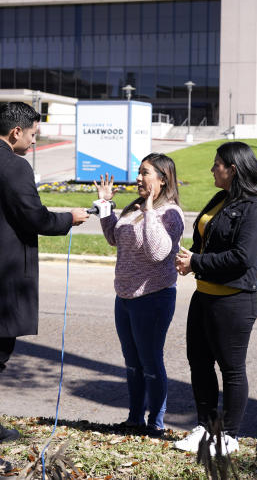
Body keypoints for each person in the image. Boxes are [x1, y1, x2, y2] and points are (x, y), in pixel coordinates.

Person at [0, 102, 89, 470]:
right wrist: (70, 218)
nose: (33, 141)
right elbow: (37, 217)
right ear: (16, 132)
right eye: (32, 134)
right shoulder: (16, 166)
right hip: (6, 278)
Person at [173, 141, 257, 456]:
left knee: (231, 369)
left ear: (233, 169)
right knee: (199, 363)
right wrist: (192, 259)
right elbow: (207, 237)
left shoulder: (255, 209)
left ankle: (228, 436)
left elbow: (243, 257)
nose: (211, 168)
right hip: (204, 296)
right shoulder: (221, 198)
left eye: (217, 164)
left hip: (234, 300)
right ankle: (205, 428)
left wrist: (198, 263)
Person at [94, 153, 184, 437]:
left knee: (150, 361)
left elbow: (159, 253)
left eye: (145, 173)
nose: (138, 178)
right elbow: (113, 237)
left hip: (154, 296)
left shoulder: (170, 213)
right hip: (125, 296)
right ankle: (135, 419)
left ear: (162, 179)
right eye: (139, 172)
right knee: (132, 362)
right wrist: (106, 205)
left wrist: (149, 213)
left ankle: (155, 423)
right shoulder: (134, 207)